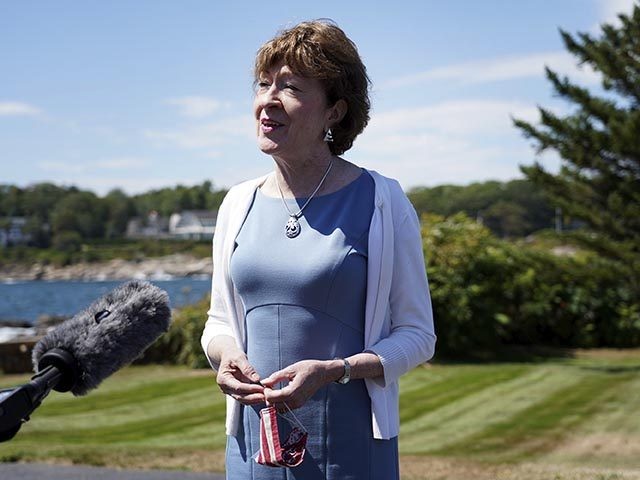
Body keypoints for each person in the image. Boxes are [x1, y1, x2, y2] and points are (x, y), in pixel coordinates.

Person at [201, 19, 436, 480]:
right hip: (253, 450)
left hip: (351, 451)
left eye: (290, 87)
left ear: (334, 111)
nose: (269, 99)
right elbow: (219, 321)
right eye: (264, 84)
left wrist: (336, 370)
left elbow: (418, 335)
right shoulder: (236, 204)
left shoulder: (382, 200)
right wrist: (225, 356)